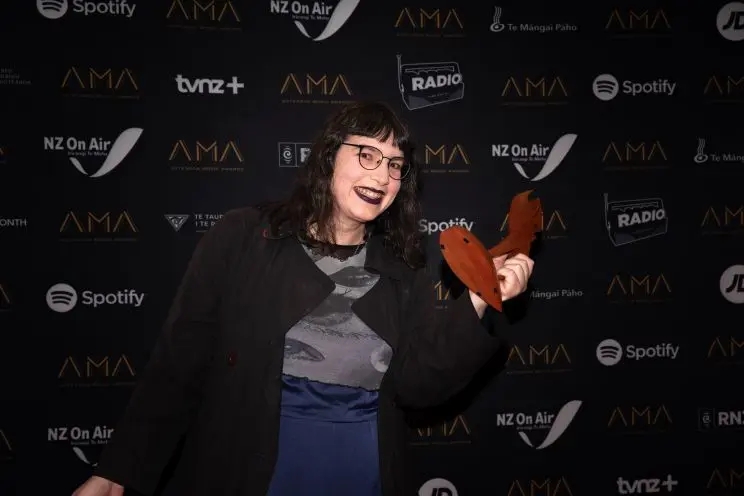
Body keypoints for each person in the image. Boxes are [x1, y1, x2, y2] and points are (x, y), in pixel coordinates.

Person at [71, 101, 535, 496]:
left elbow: (418, 387)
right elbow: (178, 366)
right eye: (367, 154)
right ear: (329, 156)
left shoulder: (404, 270)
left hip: (361, 473)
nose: (382, 175)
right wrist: (117, 471)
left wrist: (479, 297)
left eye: (395, 164)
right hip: (250, 470)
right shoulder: (243, 237)